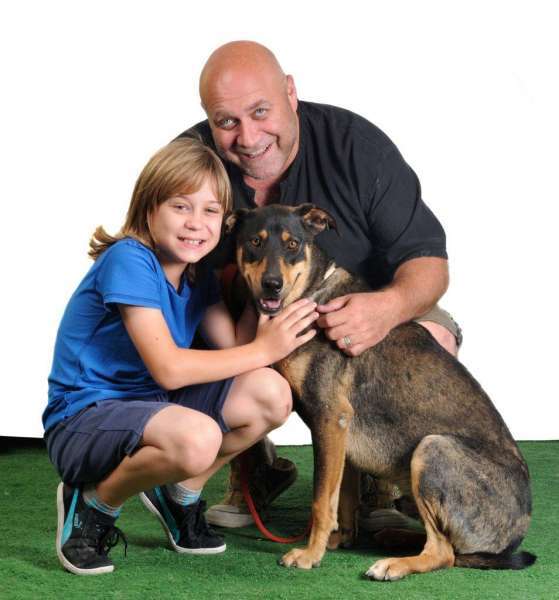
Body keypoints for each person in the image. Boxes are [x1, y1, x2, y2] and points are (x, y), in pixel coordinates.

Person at [178, 41, 462, 529]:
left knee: (433, 337)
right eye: (227, 121)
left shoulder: (357, 148)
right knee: (195, 321)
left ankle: (379, 482)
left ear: (290, 93)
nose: (248, 137)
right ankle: (252, 469)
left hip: (362, 304)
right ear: (208, 118)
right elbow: (157, 264)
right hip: (246, 316)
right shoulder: (190, 160)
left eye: (260, 111)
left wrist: (387, 307)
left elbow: (430, 263)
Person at [43, 137, 319, 575]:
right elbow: (169, 370)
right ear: (149, 207)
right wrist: (265, 348)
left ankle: (179, 494)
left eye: (210, 211)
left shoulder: (197, 274)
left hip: (152, 411)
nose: (196, 224)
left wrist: (264, 293)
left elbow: (236, 352)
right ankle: (92, 503)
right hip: (84, 420)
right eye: (180, 207)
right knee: (198, 438)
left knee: (271, 394)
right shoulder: (129, 259)